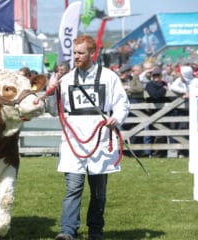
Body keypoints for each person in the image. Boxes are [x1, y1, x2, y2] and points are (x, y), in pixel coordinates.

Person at [46, 35, 130, 240]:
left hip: (100, 141)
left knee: (98, 192)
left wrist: (116, 117)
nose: (76, 56)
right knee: (73, 188)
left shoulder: (109, 77)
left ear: (93, 54)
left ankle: (95, 231)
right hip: (74, 142)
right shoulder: (64, 80)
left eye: (81, 53)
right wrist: (51, 90)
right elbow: (52, 111)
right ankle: (67, 231)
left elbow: (122, 103)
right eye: (74, 52)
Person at [145, 66, 169, 157]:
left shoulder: (163, 83)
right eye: (154, 75)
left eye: (158, 75)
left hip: (165, 112)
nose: (156, 77)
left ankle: (162, 154)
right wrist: (164, 89)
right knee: (155, 134)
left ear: (161, 75)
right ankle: (155, 154)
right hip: (153, 112)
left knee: (163, 134)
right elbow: (155, 95)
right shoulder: (150, 84)